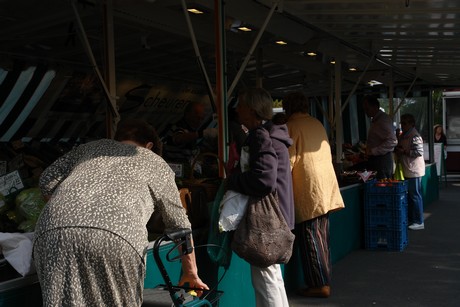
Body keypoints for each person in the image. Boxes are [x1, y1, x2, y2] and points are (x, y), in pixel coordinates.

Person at [33, 119, 208, 306]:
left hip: (53, 231)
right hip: (118, 235)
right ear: (150, 146)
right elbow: (179, 224)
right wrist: (190, 272)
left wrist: (72, 212)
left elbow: (47, 180)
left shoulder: (91, 148)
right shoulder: (155, 161)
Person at [226, 87, 295, 307]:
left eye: (242, 105)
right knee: (272, 277)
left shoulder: (260, 135)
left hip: (268, 219)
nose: (237, 110)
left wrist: (231, 181)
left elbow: (263, 180)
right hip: (280, 212)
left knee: (265, 279)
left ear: (252, 110)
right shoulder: (275, 133)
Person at [282, 92, 345, 298]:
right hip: (324, 187)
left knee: (310, 239)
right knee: (322, 237)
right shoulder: (316, 123)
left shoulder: (291, 127)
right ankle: (324, 279)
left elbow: (287, 163)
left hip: (308, 189)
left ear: (288, 107)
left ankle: (319, 284)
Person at [162, 101, 217, 177]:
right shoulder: (177, 128)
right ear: (188, 114)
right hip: (178, 172)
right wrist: (202, 133)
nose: (199, 121)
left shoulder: (192, 130)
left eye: (202, 119)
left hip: (189, 170)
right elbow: (179, 138)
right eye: (197, 118)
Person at [395, 113, 425, 230]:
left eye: (405, 123)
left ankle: (419, 221)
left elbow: (419, 152)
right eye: (401, 123)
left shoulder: (415, 136)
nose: (402, 125)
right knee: (411, 196)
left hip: (414, 170)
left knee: (415, 196)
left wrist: (404, 152)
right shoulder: (403, 136)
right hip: (407, 169)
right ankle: (413, 220)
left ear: (412, 124)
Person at [362, 95, 398, 179]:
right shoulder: (376, 120)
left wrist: (373, 151)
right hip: (378, 160)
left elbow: (393, 141)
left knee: (383, 188)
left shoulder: (382, 120)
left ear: (375, 107)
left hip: (382, 161)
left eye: (367, 108)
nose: (365, 111)